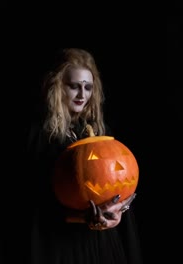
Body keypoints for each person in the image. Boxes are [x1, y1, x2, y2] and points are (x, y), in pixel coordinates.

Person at [22, 48, 143, 264]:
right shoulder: (40, 135)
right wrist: (84, 218)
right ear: (58, 87)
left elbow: (114, 181)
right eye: (74, 87)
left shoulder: (95, 130)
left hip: (101, 241)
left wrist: (120, 209)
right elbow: (34, 201)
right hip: (63, 244)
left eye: (88, 87)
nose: (82, 95)